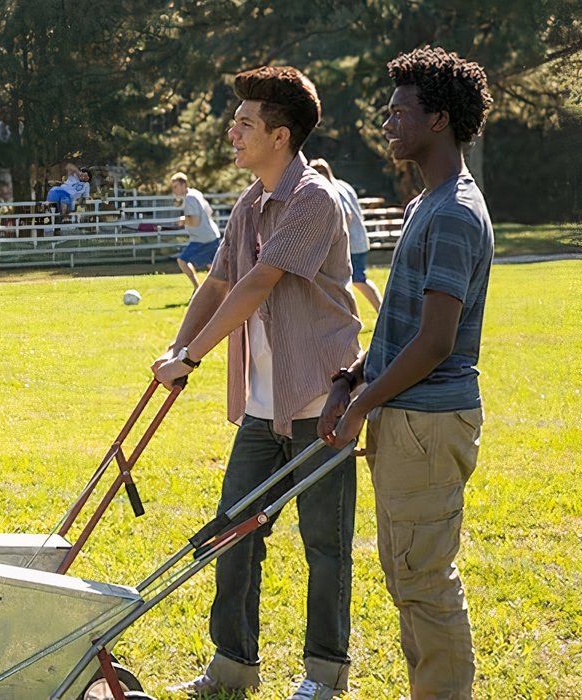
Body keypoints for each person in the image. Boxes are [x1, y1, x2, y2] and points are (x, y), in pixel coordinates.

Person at [150, 66, 359, 700]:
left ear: (280, 135)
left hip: (319, 401)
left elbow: (258, 283)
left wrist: (192, 356)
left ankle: (324, 675)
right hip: (263, 409)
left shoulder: (313, 200)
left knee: (325, 545)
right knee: (231, 537)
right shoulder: (246, 203)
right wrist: (176, 348)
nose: (231, 131)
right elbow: (216, 284)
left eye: (244, 123)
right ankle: (232, 669)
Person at [320, 46, 494, 700]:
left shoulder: (451, 211)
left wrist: (363, 404)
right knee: (405, 574)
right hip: (404, 414)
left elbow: (437, 340)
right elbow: (401, 323)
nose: (387, 123)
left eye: (400, 112)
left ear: (440, 119)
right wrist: (353, 376)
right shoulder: (428, 201)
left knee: (423, 579)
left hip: (427, 419)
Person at [309, 158, 382, 311]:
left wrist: (336, 241)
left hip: (351, 243)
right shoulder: (342, 185)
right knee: (352, 281)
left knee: (357, 280)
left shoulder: (330, 188)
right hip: (359, 240)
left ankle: (380, 311)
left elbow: (346, 215)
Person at [170, 172, 222, 290]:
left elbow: (195, 222)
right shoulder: (196, 193)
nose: (174, 190)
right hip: (212, 235)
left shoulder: (190, 198)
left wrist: (183, 220)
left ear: (184, 185)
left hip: (202, 239)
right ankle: (221, 292)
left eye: (176, 186)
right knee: (214, 268)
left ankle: (197, 288)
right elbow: (210, 211)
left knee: (182, 260)